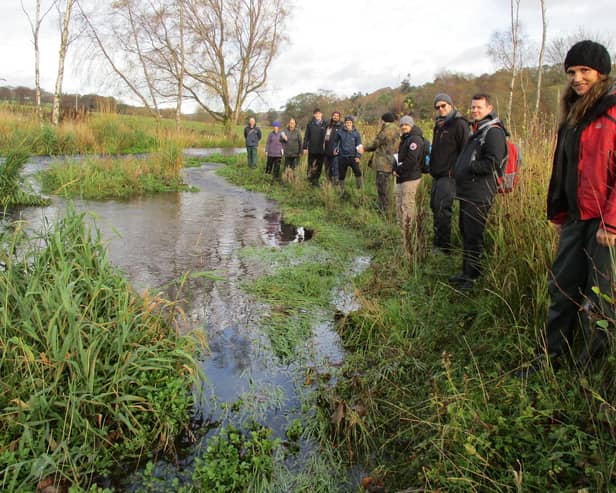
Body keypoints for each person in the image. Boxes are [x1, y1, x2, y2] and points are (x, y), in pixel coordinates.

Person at [523, 40, 616, 375]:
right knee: (562, 289)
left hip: (605, 224)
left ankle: (591, 374)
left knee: (600, 298)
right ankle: (550, 359)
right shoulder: (573, 116)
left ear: (601, 73)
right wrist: (561, 213)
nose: (577, 78)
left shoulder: (612, 112)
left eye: (585, 71)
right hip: (576, 219)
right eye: (572, 72)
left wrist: (612, 223)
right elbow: (563, 168)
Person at [450, 94, 507, 290]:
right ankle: (466, 273)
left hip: (480, 193)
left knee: (474, 235)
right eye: (473, 107)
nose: (474, 111)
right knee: (466, 232)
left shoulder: (493, 132)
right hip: (468, 192)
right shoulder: (478, 130)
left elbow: (493, 162)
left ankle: (473, 278)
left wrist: (470, 166)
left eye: (479, 107)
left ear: (489, 108)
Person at [429, 93, 470, 252]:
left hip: (450, 175)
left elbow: (465, 150)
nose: (441, 109)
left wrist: (456, 171)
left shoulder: (459, 124)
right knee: (434, 207)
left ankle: (444, 247)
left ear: (450, 105)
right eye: (437, 107)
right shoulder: (439, 125)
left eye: (443, 105)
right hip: (437, 174)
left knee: (442, 209)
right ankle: (437, 242)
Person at [394, 115, 426, 245]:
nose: (403, 127)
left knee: (408, 204)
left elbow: (412, 160)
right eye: (401, 125)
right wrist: (394, 167)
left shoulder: (415, 139)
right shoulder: (405, 139)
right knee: (399, 203)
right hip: (401, 177)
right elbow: (400, 157)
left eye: (406, 125)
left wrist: (399, 170)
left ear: (411, 125)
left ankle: (408, 231)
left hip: (411, 177)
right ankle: (400, 230)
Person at [364, 112, 399, 213]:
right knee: (388, 186)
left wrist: (364, 148)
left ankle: (383, 210)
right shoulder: (398, 129)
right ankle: (387, 208)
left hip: (384, 163)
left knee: (382, 187)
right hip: (393, 162)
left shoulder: (387, 129)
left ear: (384, 120)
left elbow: (375, 144)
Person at [333, 115, 363, 192]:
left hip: (353, 157)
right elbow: (335, 142)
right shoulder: (340, 132)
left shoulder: (356, 133)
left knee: (358, 172)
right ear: (345, 123)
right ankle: (341, 191)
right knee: (342, 175)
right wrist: (335, 149)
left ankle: (360, 190)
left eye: (350, 122)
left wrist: (358, 156)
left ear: (352, 123)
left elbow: (359, 145)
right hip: (342, 157)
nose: (348, 124)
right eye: (347, 122)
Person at [303, 108, 327, 187]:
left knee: (319, 166)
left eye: (319, 113)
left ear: (321, 114)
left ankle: (316, 181)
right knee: (310, 165)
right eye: (316, 113)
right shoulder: (310, 124)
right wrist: (305, 147)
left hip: (321, 150)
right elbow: (306, 136)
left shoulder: (325, 124)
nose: (318, 115)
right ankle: (309, 180)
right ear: (314, 115)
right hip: (312, 149)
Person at [323, 111, 343, 184]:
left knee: (336, 168)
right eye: (334, 115)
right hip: (326, 150)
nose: (335, 117)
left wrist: (338, 148)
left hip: (336, 151)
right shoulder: (328, 126)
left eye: (337, 116)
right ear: (332, 116)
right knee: (327, 168)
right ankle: (328, 183)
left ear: (339, 117)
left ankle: (336, 184)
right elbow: (325, 137)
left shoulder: (341, 126)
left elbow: (342, 139)